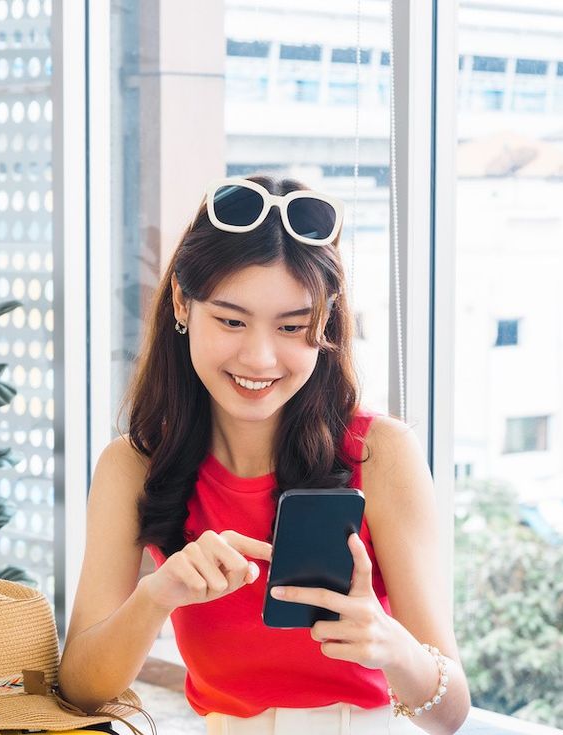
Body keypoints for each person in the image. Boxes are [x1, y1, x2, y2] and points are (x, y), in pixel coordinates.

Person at [59, 174, 471, 734]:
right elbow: (81, 690)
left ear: (324, 321)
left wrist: (393, 646)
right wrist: (157, 595)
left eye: (292, 326)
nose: (259, 357)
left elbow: (450, 714)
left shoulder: (379, 452)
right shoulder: (132, 467)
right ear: (183, 302)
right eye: (231, 321)